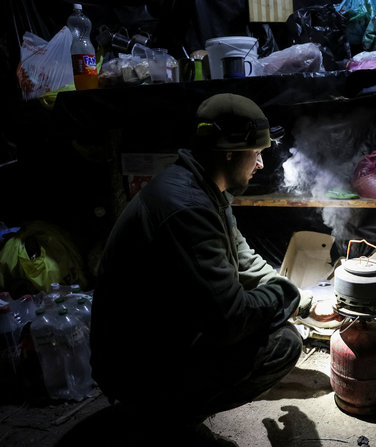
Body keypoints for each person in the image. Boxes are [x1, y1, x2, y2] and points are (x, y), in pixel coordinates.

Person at [89, 93, 320, 440]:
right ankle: (162, 418)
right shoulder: (187, 209)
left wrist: (299, 297)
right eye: (256, 153)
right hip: (134, 364)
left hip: (156, 336)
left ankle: (166, 407)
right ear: (229, 151)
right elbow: (232, 317)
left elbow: (245, 259)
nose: (260, 164)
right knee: (283, 343)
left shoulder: (206, 187)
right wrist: (283, 295)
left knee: (267, 318)